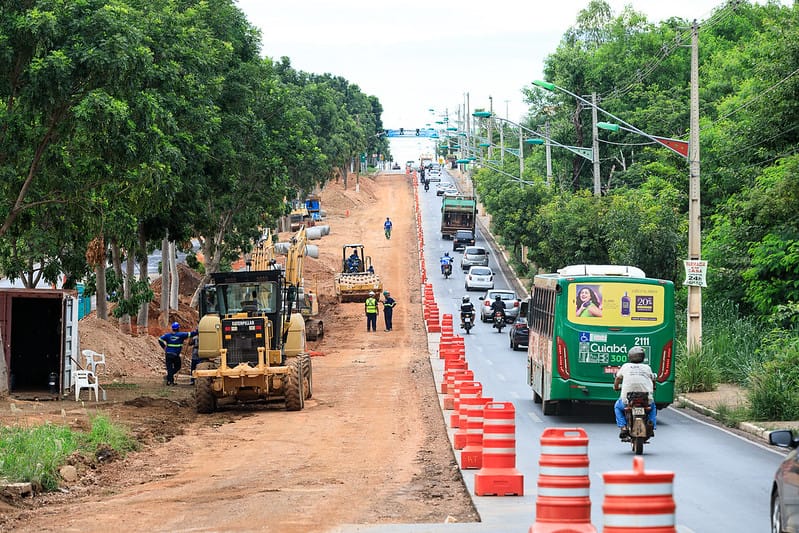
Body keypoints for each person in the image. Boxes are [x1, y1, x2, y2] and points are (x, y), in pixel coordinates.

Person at [613, 346, 657, 439]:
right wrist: (654, 387)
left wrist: (616, 387)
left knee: (617, 407)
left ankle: (623, 427)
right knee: (653, 407)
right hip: (645, 399)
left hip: (628, 400)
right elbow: (653, 379)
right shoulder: (647, 367)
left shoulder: (625, 366)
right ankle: (652, 426)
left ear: (630, 357)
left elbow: (617, 378)